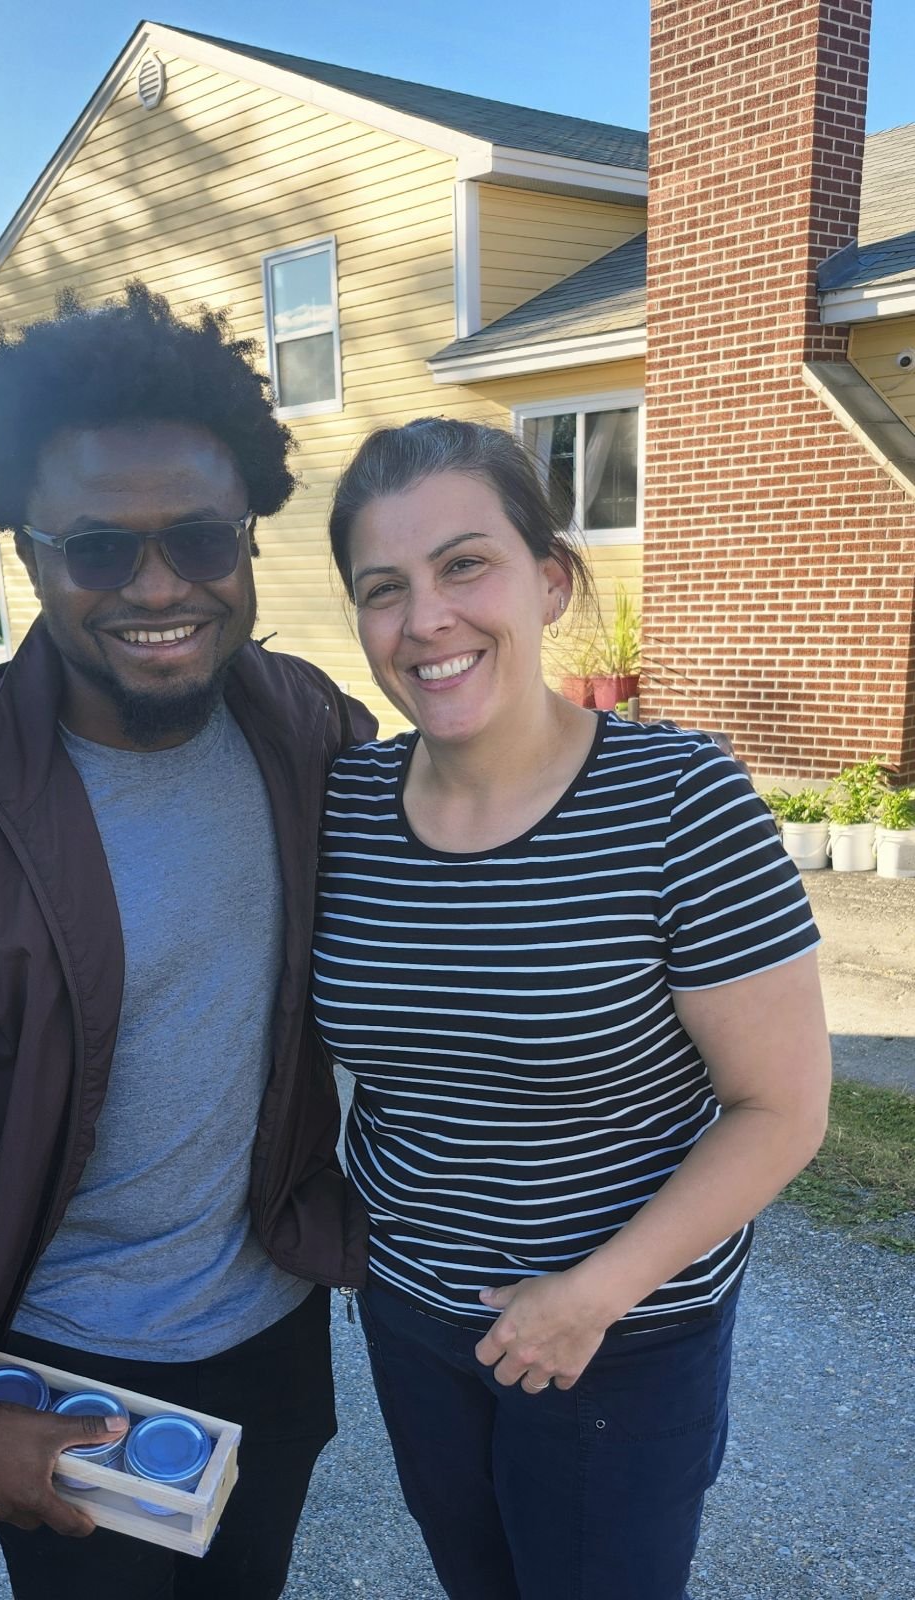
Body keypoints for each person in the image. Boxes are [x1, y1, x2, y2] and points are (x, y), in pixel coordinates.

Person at [0, 283, 374, 1600]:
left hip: (272, 1338)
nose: (157, 587)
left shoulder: (308, 733)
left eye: (201, 539)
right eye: (99, 549)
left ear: (247, 538)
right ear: (27, 550)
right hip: (52, 1372)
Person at [311, 417, 832, 1600]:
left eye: (464, 565)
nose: (424, 619)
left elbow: (780, 1109)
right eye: (381, 588)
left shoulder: (678, 801)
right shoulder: (339, 807)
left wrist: (586, 1296)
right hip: (412, 1319)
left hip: (621, 1337)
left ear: (547, 581)